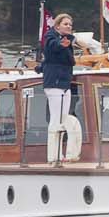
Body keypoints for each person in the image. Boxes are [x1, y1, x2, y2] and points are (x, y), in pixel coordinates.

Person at [40, 12, 78, 156]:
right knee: (55, 118)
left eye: (70, 25)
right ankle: (53, 154)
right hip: (54, 83)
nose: (69, 26)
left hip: (64, 83)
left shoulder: (68, 40)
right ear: (57, 26)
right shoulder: (51, 37)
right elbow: (52, 46)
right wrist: (62, 43)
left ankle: (59, 153)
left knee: (64, 118)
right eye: (65, 24)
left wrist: (68, 41)